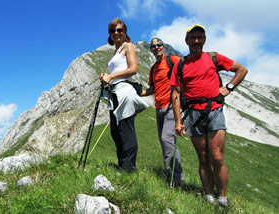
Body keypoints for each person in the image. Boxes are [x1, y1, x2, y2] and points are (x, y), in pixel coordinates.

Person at [170, 24, 248, 207]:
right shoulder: (180, 65)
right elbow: (175, 94)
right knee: (203, 158)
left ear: (204, 40)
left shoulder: (214, 58)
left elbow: (241, 69)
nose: (196, 41)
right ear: (186, 41)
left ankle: (223, 198)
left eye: (200, 37)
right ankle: (208, 197)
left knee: (217, 157)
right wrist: (178, 121)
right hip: (193, 114)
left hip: (214, 111)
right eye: (193, 38)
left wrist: (229, 87)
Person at [100, 18, 148, 172]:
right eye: (113, 31)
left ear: (125, 32)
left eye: (120, 30)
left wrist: (111, 77)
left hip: (124, 92)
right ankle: (122, 165)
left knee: (126, 130)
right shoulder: (116, 51)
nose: (116, 33)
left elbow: (133, 69)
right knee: (115, 131)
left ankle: (129, 169)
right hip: (115, 92)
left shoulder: (128, 46)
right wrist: (106, 77)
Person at [140, 38, 185, 185]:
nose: (156, 48)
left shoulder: (172, 60)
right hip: (159, 108)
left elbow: (187, 67)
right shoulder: (153, 69)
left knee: (167, 139)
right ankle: (174, 177)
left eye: (159, 45)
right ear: (151, 50)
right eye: (153, 46)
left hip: (172, 107)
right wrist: (137, 92)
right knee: (166, 142)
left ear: (163, 47)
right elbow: (152, 89)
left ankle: (175, 181)